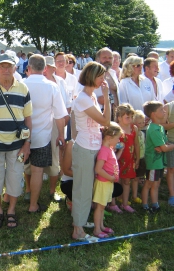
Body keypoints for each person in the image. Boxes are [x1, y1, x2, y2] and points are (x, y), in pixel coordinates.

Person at [0, 52, 32, 228]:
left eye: (9, 66)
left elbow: (28, 120)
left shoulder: (23, 89)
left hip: (17, 146)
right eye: (2, 66)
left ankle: (11, 210)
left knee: (16, 176)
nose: (6, 69)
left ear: (15, 68)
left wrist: (27, 144)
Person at [71, 62, 111, 241]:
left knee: (89, 188)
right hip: (85, 148)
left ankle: (81, 220)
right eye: (101, 76)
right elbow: (105, 121)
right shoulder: (83, 99)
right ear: (91, 76)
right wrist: (107, 97)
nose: (103, 80)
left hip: (93, 147)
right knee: (83, 189)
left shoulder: (91, 96)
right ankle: (77, 230)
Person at [23, 54, 67, 213]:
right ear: (45, 68)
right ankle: (33, 204)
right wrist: (61, 134)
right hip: (42, 137)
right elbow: (59, 114)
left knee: (18, 167)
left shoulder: (21, 84)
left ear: (29, 68)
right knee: (37, 171)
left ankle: (12, 198)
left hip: (22, 136)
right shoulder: (52, 86)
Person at [142, 101, 174, 212]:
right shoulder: (154, 129)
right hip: (153, 162)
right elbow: (164, 148)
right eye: (161, 110)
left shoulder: (159, 127)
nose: (164, 111)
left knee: (156, 183)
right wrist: (168, 146)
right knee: (149, 183)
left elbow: (164, 145)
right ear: (153, 114)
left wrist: (166, 146)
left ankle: (155, 205)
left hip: (159, 162)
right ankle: (145, 205)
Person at [93, 122, 123, 238]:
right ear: (109, 138)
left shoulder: (109, 149)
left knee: (102, 206)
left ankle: (101, 226)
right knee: (99, 207)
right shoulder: (104, 151)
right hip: (103, 183)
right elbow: (98, 169)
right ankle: (96, 230)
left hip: (107, 183)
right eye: (117, 138)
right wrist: (110, 177)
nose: (118, 141)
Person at [115, 104, 140, 212]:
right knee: (116, 180)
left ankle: (125, 203)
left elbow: (136, 144)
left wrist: (137, 158)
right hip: (117, 159)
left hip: (130, 160)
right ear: (119, 117)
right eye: (127, 117)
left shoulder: (133, 128)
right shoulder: (115, 129)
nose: (130, 120)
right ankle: (114, 202)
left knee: (127, 181)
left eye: (131, 117)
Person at [161, 101, 174, 206]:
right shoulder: (168, 107)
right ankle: (172, 195)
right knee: (171, 169)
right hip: (171, 142)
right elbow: (162, 125)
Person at [133, 110, 147, 185]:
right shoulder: (134, 133)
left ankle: (138, 182)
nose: (142, 124)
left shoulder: (142, 133)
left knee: (138, 175)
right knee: (134, 176)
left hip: (142, 156)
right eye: (139, 123)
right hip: (135, 158)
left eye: (143, 122)